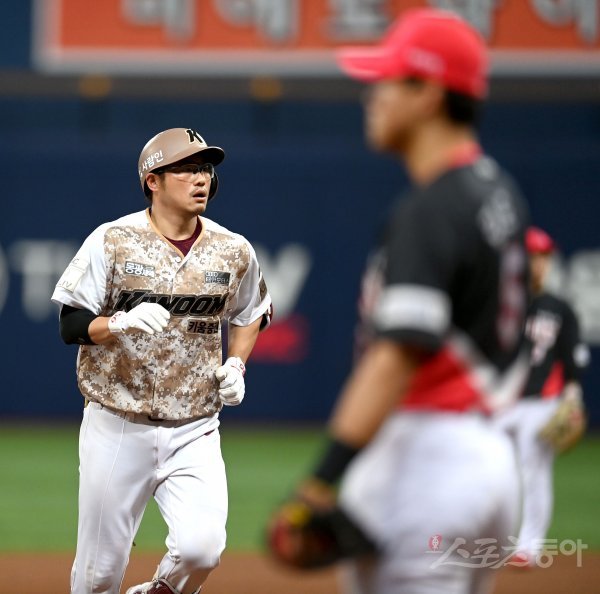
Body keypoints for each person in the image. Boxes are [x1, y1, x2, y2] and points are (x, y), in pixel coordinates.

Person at [275, 8, 531, 594]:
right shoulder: (497, 191)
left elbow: (396, 356)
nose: (373, 97)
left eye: (388, 81)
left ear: (429, 94)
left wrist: (321, 481)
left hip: (428, 462)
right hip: (492, 462)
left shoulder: (432, 208)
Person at [52, 127, 272, 594]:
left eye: (205, 169)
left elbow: (253, 312)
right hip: (117, 423)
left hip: (195, 426)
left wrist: (237, 363)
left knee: (201, 549)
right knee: (98, 576)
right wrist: (117, 323)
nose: (201, 178)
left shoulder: (233, 249)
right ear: (153, 180)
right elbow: (71, 324)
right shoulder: (113, 239)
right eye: (187, 169)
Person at [495, 226, 589, 567]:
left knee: (534, 474)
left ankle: (528, 547)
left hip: (541, 402)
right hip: (500, 403)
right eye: (534, 255)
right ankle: (487, 541)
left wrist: (572, 397)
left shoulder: (559, 308)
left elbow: (573, 359)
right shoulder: (499, 303)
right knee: (489, 472)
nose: (540, 263)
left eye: (544, 256)